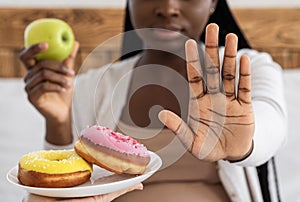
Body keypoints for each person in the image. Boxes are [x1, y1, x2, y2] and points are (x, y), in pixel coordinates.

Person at [19, 0, 287, 201]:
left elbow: (271, 125)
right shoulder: (90, 86)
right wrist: (59, 122)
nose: (168, 7)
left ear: (213, 3)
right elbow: (61, 188)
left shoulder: (246, 68)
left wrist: (244, 146)